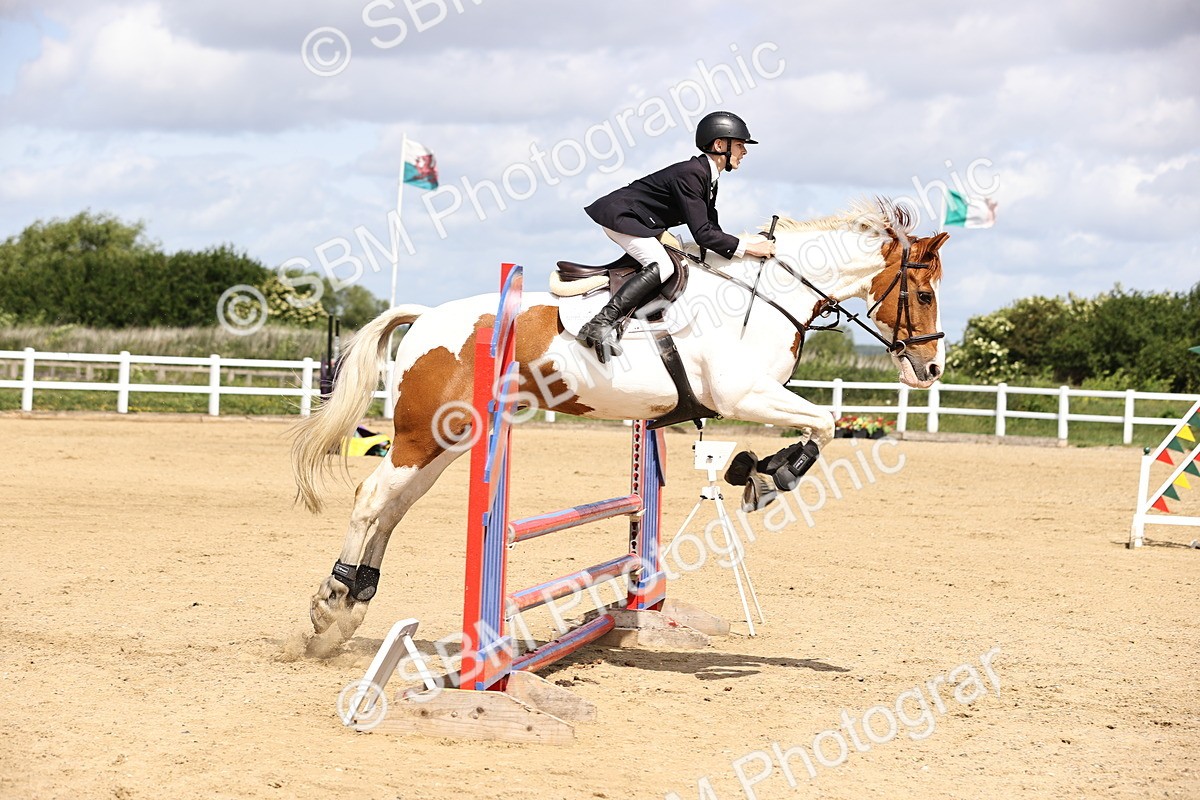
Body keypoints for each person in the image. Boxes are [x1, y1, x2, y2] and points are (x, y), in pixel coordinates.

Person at [575, 110, 777, 361]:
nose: (744, 152)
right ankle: (599, 323)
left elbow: (711, 228)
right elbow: (703, 235)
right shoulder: (692, 174)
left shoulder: (706, 176)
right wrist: (748, 248)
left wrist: (748, 242)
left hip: (638, 220)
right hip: (622, 217)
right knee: (662, 265)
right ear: (719, 145)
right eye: (739, 145)